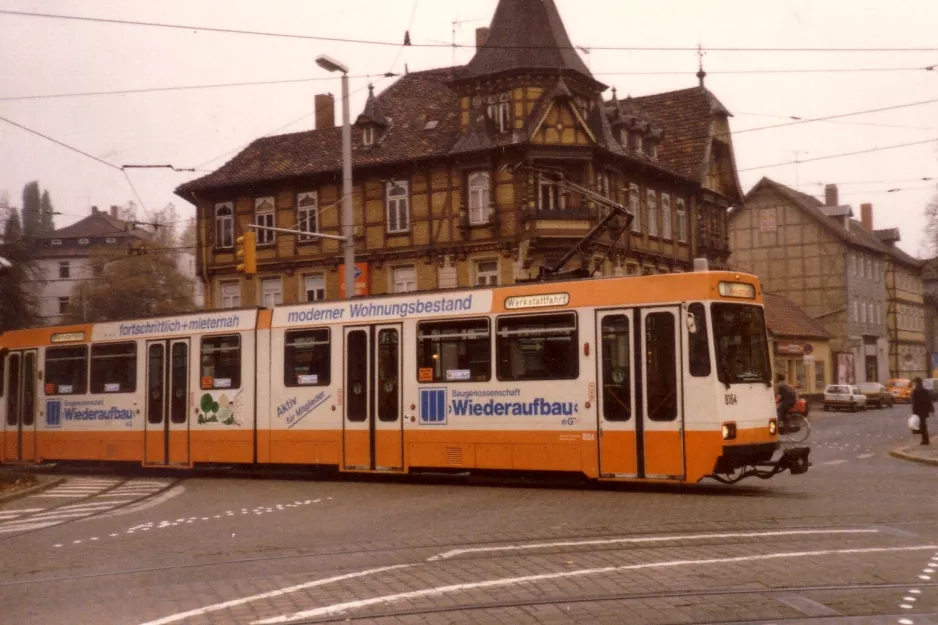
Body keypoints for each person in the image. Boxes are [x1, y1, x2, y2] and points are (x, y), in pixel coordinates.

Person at [911, 376, 933, 445]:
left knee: (922, 425)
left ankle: (925, 440)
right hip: (924, 410)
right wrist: (931, 409)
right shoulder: (925, 390)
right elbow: (929, 400)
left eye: (914, 382)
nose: (914, 383)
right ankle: (925, 440)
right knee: (923, 424)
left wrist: (914, 411)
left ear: (916, 382)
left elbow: (914, 402)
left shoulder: (915, 391)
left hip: (919, 410)